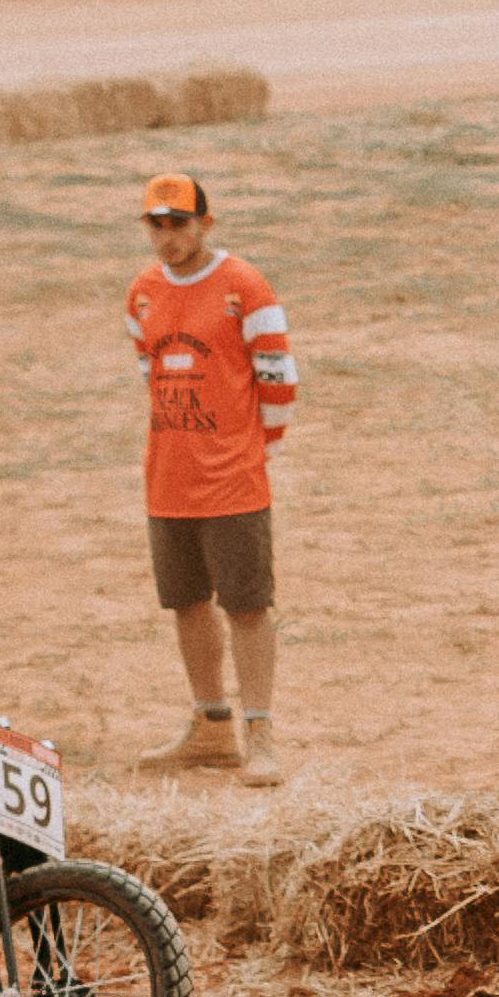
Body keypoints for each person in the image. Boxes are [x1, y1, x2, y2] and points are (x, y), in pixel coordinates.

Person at [124, 170, 296, 781]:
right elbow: (149, 372)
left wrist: (250, 447)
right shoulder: (142, 292)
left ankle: (261, 733)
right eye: (156, 225)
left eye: (179, 224)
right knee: (186, 603)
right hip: (168, 480)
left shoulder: (244, 286)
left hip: (232, 480)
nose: (167, 237)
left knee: (247, 606)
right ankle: (211, 726)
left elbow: (279, 381)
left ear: (205, 223)